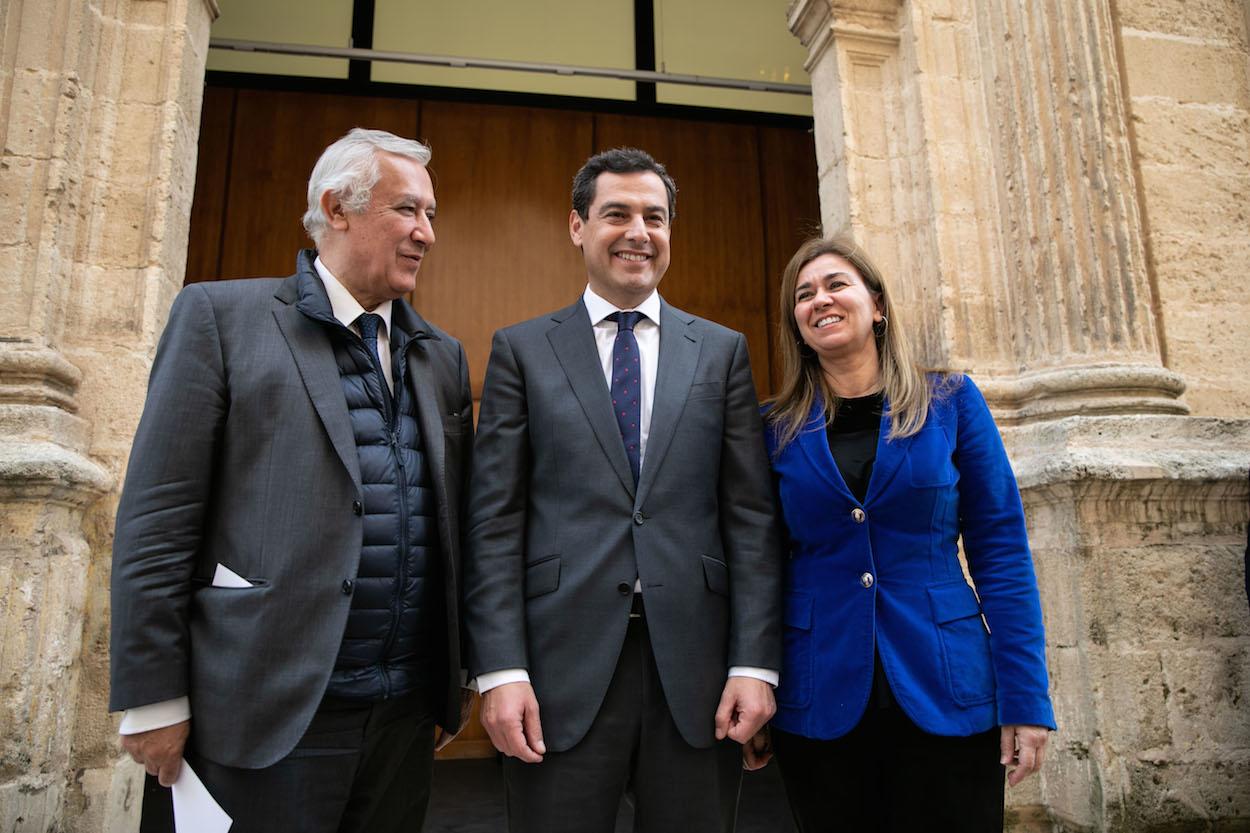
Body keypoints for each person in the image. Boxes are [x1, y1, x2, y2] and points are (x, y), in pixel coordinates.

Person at [109, 128, 473, 833]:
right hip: (265, 712)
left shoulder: (442, 357)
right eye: (408, 210)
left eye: (431, 214)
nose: (426, 233)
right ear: (337, 209)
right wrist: (153, 697)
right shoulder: (220, 319)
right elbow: (157, 520)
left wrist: (453, 679)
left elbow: (454, 522)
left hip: (402, 717)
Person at [462, 147, 783, 833]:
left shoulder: (721, 351)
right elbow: (493, 523)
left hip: (696, 675)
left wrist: (755, 662)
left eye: (655, 217)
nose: (640, 232)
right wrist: (499, 669)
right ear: (577, 226)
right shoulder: (522, 350)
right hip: (556, 672)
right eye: (617, 214)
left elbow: (750, 518)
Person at [754, 235, 1055, 831]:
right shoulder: (773, 428)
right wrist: (753, 681)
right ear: (796, 321)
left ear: (877, 304)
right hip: (818, 691)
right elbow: (759, 564)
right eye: (804, 294)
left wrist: (1027, 698)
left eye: (836, 284)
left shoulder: (951, 401)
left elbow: (1001, 553)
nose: (821, 300)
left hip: (946, 685)